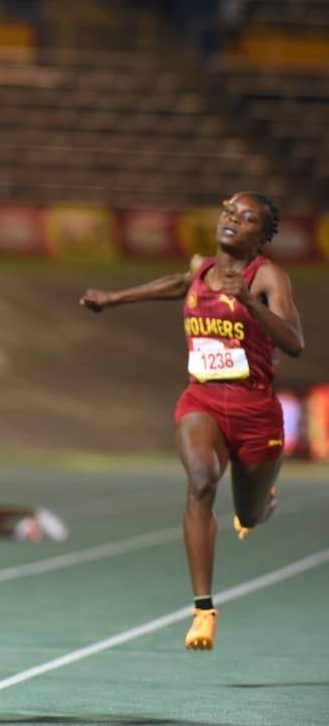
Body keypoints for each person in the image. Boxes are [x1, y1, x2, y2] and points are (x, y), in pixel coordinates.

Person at [80, 192, 304, 652]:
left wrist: (252, 303)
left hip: (255, 412)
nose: (232, 221)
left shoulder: (267, 276)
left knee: (249, 512)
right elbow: (177, 283)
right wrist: (114, 298)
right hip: (201, 398)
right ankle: (203, 610)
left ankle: (261, 503)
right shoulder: (201, 266)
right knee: (201, 482)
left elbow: (295, 341)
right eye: (229, 213)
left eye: (246, 219)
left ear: (259, 236)